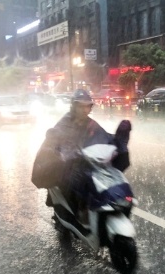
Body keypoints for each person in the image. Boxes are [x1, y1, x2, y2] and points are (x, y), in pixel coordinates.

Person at [31, 89, 132, 225]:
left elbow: (104, 137)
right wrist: (65, 152)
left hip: (87, 163)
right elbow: (56, 139)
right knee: (78, 182)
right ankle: (78, 213)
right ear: (74, 106)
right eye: (81, 106)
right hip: (69, 166)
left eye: (88, 106)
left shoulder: (90, 123)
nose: (85, 110)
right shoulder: (65, 123)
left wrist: (119, 140)